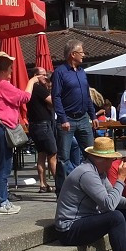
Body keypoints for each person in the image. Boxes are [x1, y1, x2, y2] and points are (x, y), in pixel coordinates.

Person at [0, 51, 42, 214]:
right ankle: (1, 203)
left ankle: (3, 200)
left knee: (0, 165)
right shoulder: (2, 84)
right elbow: (24, 97)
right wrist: (32, 81)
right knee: (3, 167)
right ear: (5, 69)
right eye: (10, 68)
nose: (12, 71)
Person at [51, 39, 95, 189]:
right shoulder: (60, 72)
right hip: (67, 119)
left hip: (83, 118)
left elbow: (87, 96)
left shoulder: (82, 72)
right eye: (82, 52)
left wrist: (93, 115)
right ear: (73, 54)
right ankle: (61, 191)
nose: (84, 55)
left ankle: (92, 186)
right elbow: (56, 96)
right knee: (63, 158)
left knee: (91, 153)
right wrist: (63, 118)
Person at [26, 67, 57, 193]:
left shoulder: (30, 89)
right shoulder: (38, 88)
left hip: (34, 125)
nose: (45, 77)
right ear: (35, 76)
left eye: (46, 75)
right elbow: (53, 102)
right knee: (52, 155)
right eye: (42, 75)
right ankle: (60, 186)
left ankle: (43, 184)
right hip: (43, 125)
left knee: (41, 155)